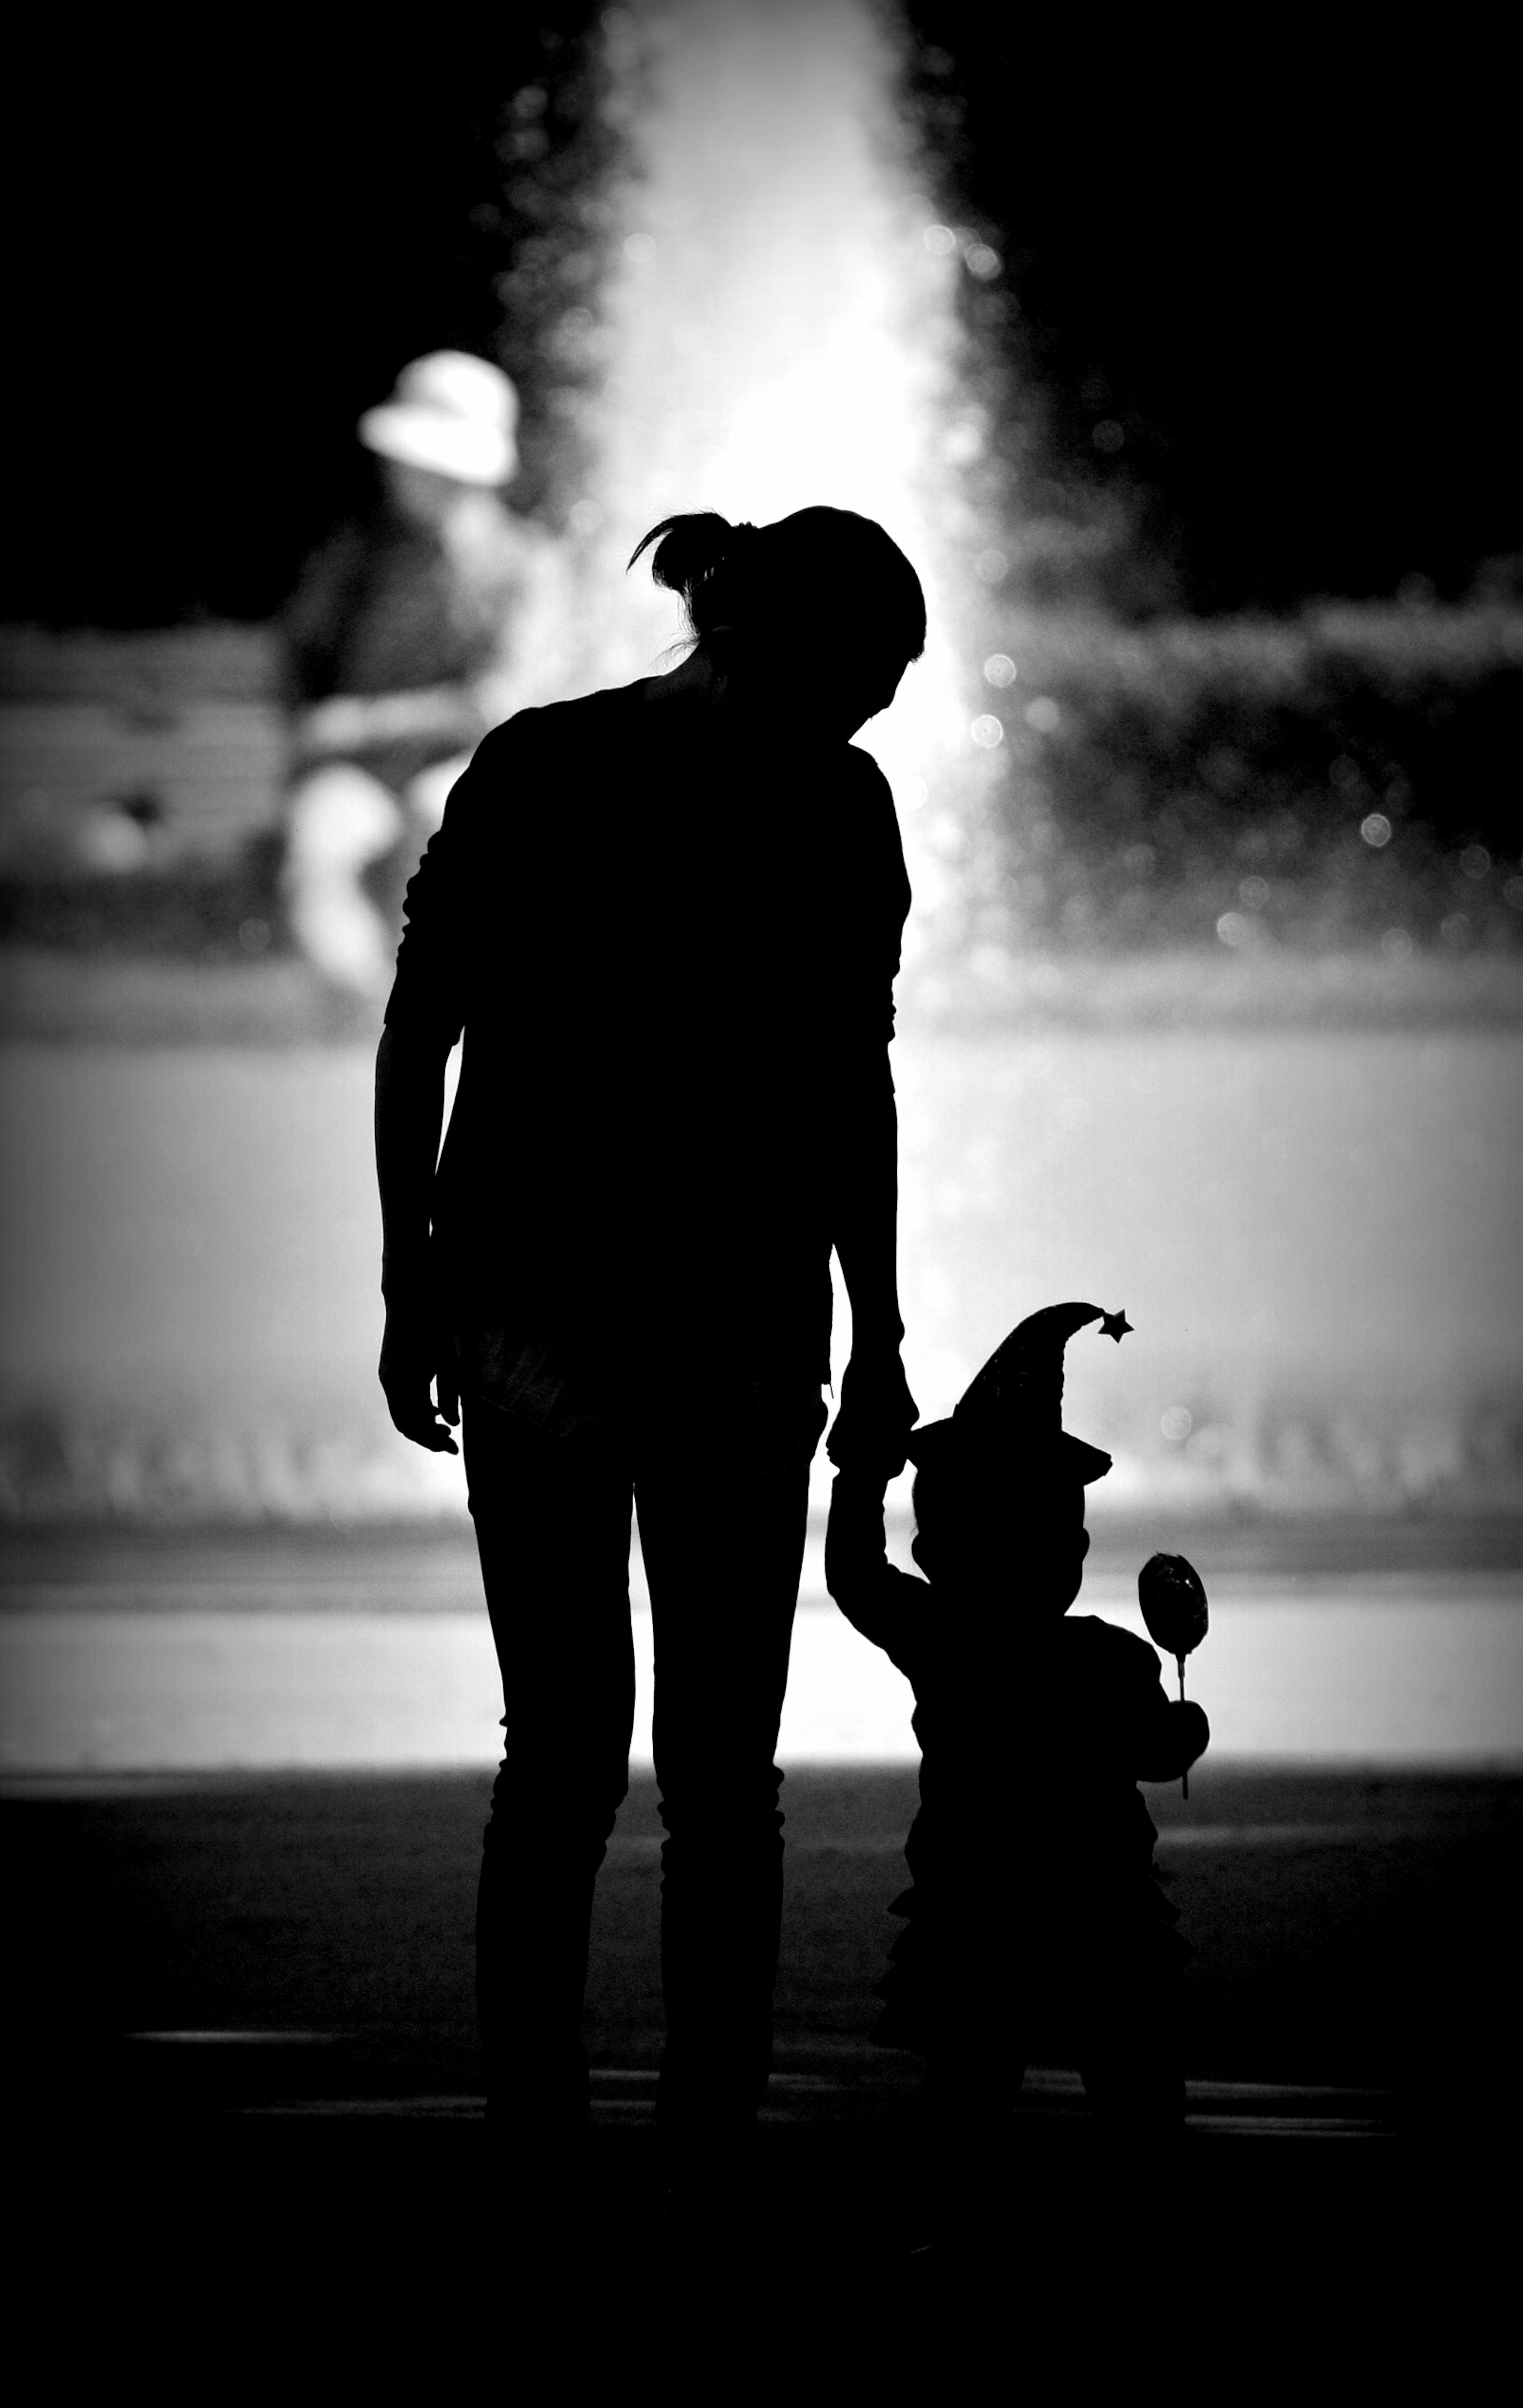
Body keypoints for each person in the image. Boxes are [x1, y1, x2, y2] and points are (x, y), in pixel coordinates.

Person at [373, 506, 927, 2208]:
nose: (883, 714)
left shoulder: (544, 764)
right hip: (734, 1322)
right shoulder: (834, 807)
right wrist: (879, 1328)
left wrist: (414, 1275)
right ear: (776, 644)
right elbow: (848, 1091)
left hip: (541, 1300)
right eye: (868, 677)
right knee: (717, 1776)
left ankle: (544, 2129)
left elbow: (424, 1030)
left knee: (565, 1753)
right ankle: (706, 2135)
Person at [824, 1302, 1210, 2245]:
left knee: (971, 2079)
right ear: (1071, 1557)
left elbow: (854, 1576)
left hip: (975, 1905)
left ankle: (959, 2221)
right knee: (1132, 2074)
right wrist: (1187, 1728)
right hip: (1102, 1910)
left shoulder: (940, 1638)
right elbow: (1155, 1753)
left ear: (934, 1552)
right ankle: (1152, 2205)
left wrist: (861, 1473)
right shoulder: (1112, 1660)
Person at [282, 350, 528, 998]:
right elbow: (302, 661)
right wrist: (316, 737)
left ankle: (427, 1021)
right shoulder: (357, 557)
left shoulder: (522, 568)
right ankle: (367, 1023)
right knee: (320, 853)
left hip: (469, 766)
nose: (396, 471)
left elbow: (500, 704)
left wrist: (362, 724)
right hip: (359, 774)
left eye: (415, 460)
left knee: (441, 819)